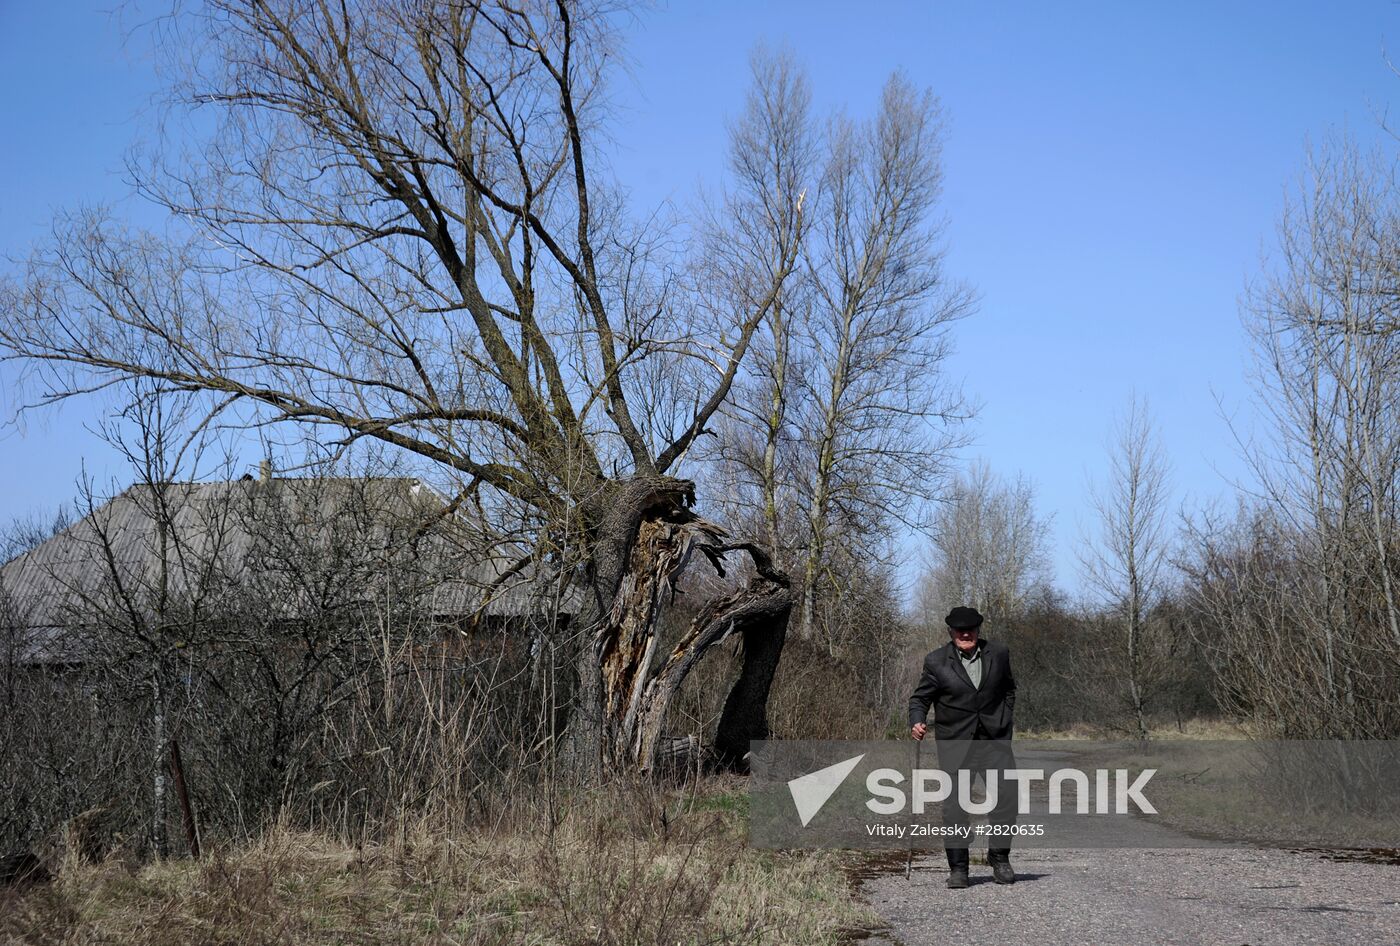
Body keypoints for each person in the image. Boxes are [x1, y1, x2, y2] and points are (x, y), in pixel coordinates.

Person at [908, 605, 1018, 888]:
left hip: (995, 741)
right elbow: (919, 699)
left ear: (979, 630)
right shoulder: (936, 661)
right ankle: (959, 868)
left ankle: (1000, 858)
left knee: (1006, 799)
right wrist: (917, 721)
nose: (965, 634)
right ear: (951, 632)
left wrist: (1005, 718)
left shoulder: (999, 653)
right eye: (960, 630)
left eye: (970, 629)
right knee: (955, 807)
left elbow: (1008, 689)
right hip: (955, 744)